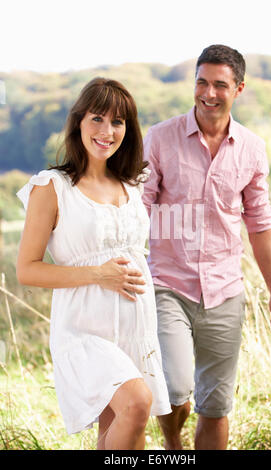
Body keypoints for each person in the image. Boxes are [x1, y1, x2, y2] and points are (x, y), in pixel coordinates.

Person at [142, 44, 271, 450]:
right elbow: (137, 208)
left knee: (216, 405)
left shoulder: (252, 149)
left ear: (238, 89)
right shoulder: (159, 138)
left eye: (219, 85)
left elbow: (260, 223)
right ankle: (173, 445)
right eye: (201, 82)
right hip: (167, 284)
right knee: (175, 387)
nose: (208, 93)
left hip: (225, 291)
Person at [16, 77, 171, 450]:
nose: (107, 131)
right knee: (137, 403)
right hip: (84, 329)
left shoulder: (134, 184)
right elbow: (27, 269)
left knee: (123, 434)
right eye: (97, 119)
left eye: (118, 122)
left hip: (135, 326)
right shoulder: (51, 187)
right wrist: (98, 274)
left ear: (128, 130)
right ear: (79, 122)